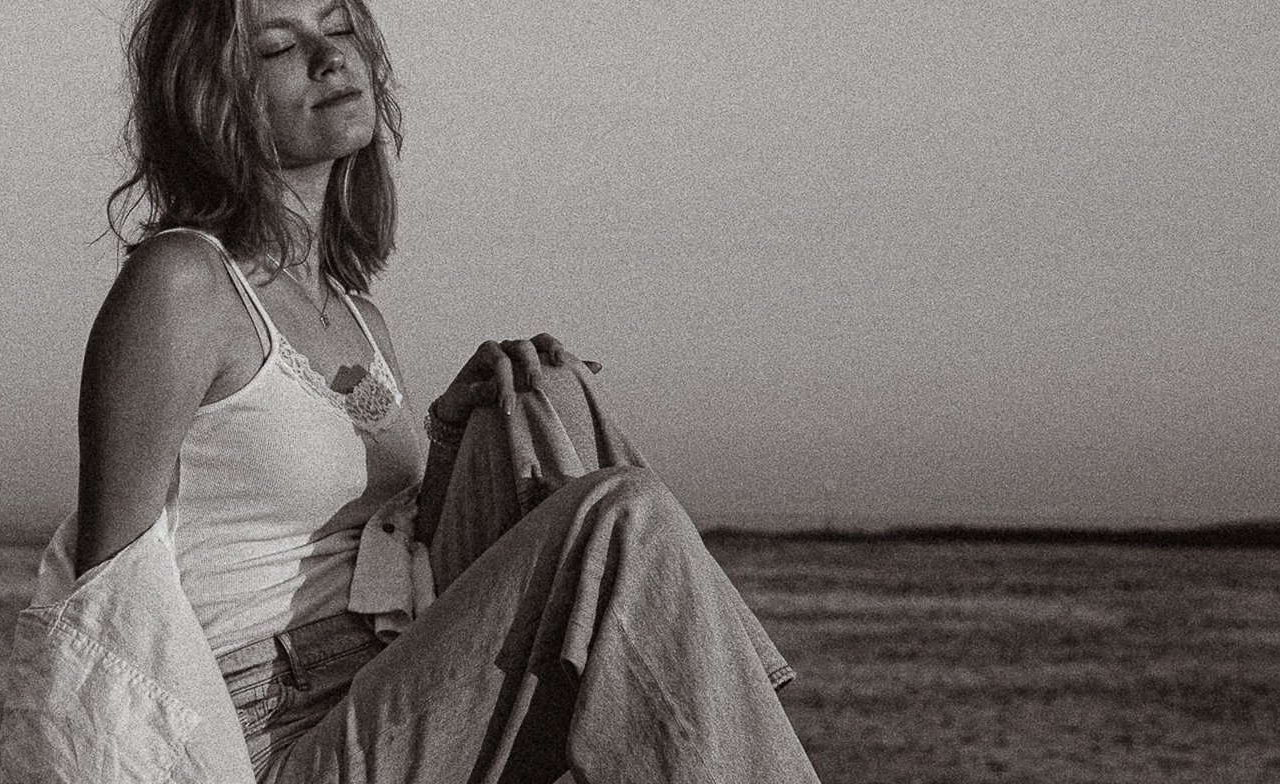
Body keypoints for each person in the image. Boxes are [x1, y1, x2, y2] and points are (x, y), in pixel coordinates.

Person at [41, 0, 821, 780]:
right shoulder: (182, 284)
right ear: (210, 96)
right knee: (622, 517)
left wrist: (450, 431)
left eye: (339, 29)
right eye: (278, 47)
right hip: (264, 734)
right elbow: (102, 601)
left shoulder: (358, 318)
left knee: (549, 392)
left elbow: (392, 554)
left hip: (389, 675)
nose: (329, 57)